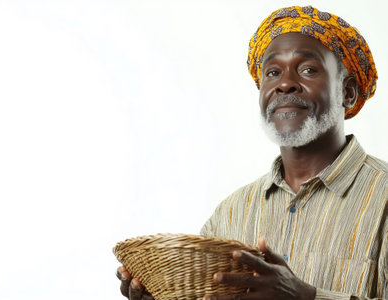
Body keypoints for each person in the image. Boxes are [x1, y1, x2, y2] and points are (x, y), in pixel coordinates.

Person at [116, 5, 387, 300]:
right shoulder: (230, 214)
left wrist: (305, 297)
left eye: (308, 69)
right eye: (272, 72)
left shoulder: (382, 198)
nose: (285, 83)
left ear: (347, 91)